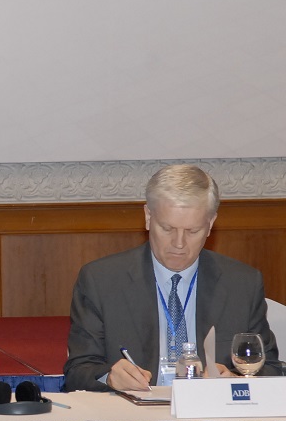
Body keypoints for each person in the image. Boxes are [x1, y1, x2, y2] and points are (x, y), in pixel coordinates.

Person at [64, 164, 281, 392]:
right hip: (133, 411)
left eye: (192, 231)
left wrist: (235, 381)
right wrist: (109, 377)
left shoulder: (242, 284)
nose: (179, 244)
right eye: (167, 229)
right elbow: (78, 371)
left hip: (209, 411)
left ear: (210, 225)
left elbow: (272, 370)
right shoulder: (101, 281)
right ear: (148, 217)